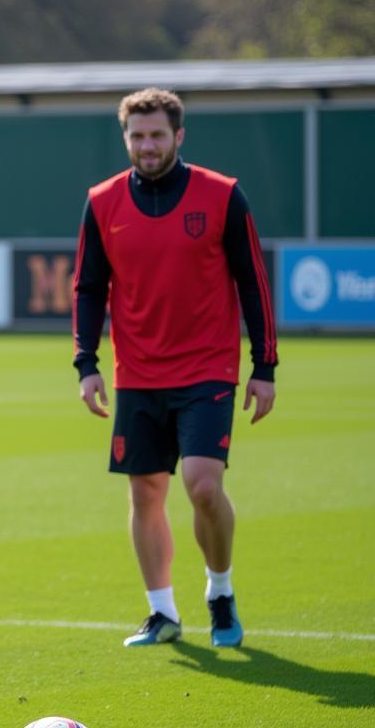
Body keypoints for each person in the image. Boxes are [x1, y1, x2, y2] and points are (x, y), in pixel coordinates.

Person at [72, 87, 277, 650]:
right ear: (126, 140)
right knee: (145, 495)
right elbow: (88, 288)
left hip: (208, 368)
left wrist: (266, 365)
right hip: (136, 373)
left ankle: (220, 591)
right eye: (136, 136)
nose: (147, 145)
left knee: (203, 486)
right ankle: (161, 613)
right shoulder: (103, 202)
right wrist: (86, 363)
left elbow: (254, 284)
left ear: (179, 136)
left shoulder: (222, 196)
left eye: (157, 134)